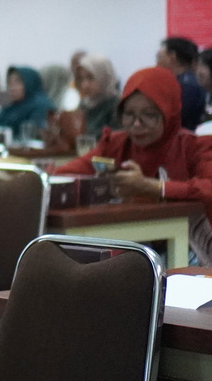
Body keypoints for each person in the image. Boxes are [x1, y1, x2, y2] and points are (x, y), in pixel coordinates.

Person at [55, 66, 212, 263]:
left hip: (192, 248)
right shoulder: (115, 144)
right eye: (129, 114)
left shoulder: (194, 146)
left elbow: (208, 187)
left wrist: (154, 187)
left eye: (149, 115)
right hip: (130, 246)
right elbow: (67, 172)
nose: (137, 124)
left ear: (169, 113)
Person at [0, 66, 56, 142]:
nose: (12, 87)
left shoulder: (42, 106)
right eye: (10, 83)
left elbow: (33, 134)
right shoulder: (11, 108)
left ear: (30, 82)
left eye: (18, 82)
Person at [156, 36, 204, 131]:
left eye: (159, 57)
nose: (157, 63)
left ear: (172, 57)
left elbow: (178, 120)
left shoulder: (187, 87)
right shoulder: (185, 82)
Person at [75, 53, 121, 137]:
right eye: (81, 79)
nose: (85, 85)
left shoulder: (117, 106)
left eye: (90, 78)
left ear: (103, 76)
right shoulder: (84, 105)